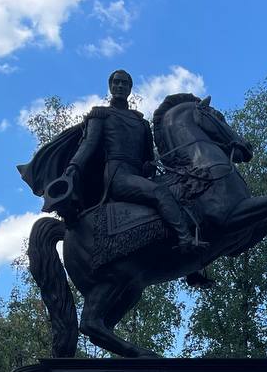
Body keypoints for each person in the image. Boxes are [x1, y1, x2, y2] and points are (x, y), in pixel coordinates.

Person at [61, 69, 203, 250]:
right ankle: (185, 240)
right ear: (110, 87)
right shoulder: (101, 115)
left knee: (182, 192)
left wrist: (149, 165)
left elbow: (148, 158)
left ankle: (193, 269)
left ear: (130, 89)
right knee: (159, 192)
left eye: (124, 83)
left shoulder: (141, 123)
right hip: (117, 177)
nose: (120, 86)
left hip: (138, 176)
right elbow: (88, 145)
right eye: (116, 82)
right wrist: (74, 166)